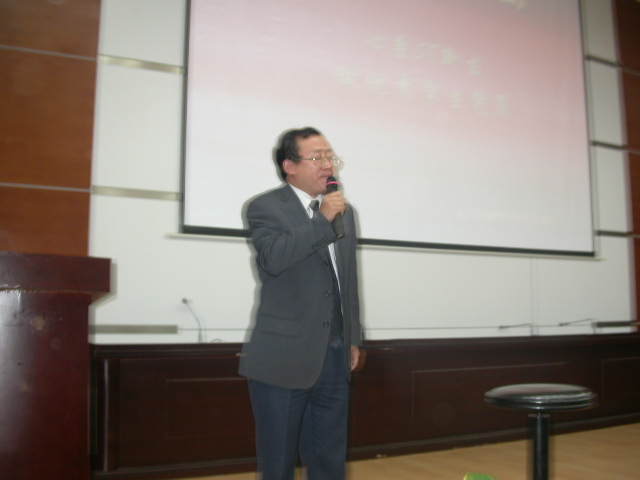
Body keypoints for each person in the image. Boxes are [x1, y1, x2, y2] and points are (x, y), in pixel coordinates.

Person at [239, 127, 363, 480]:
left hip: (334, 354)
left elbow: (348, 281)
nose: (327, 164)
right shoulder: (265, 207)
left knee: (329, 459)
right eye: (317, 157)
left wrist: (353, 338)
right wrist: (322, 219)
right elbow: (273, 259)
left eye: (330, 156)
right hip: (283, 356)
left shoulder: (346, 212)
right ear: (289, 166)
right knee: (278, 461)